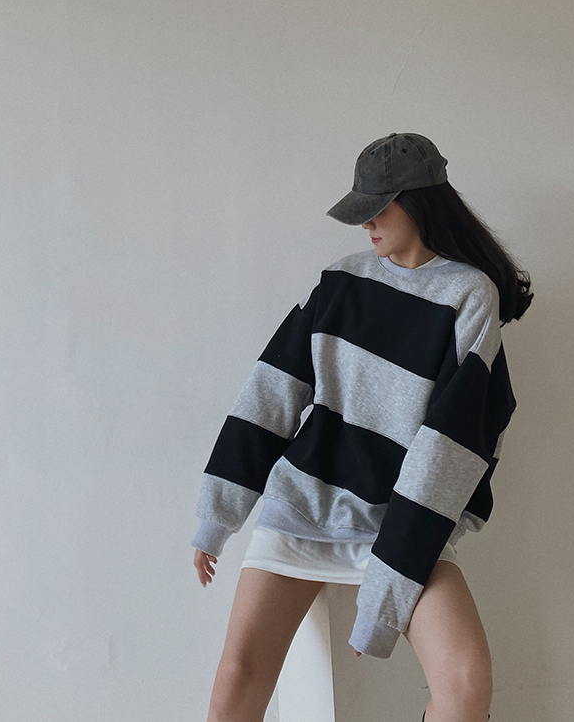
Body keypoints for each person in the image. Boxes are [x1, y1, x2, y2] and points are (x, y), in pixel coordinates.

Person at [191, 132, 533, 722]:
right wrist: (216, 517)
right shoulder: (340, 282)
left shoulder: (467, 294)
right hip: (304, 505)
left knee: (466, 687)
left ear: (420, 203)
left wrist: (385, 597)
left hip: (401, 521)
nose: (366, 224)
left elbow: (449, 452)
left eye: (379, 208)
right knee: (234, 685)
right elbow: (269, 394)